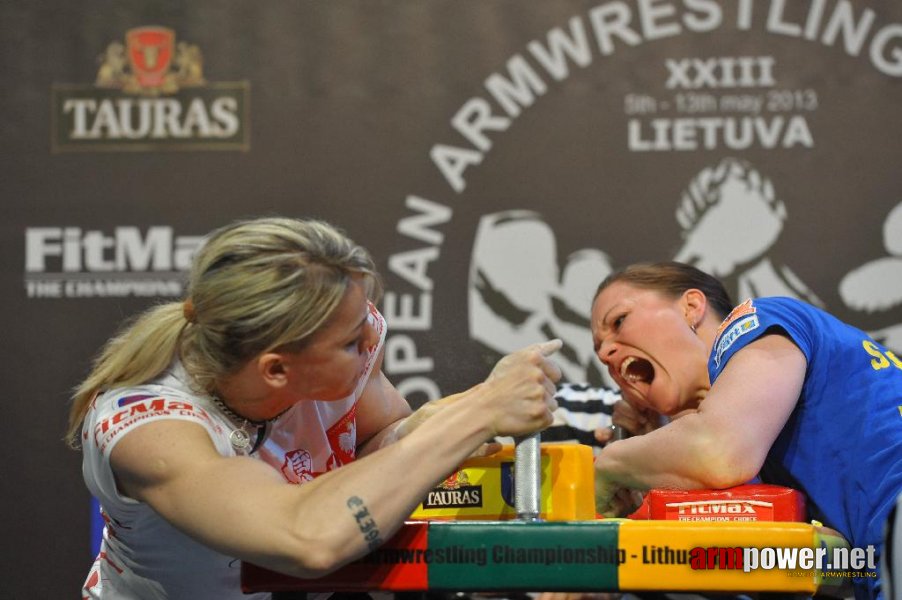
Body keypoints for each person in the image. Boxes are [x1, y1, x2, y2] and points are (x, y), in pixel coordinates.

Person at [66, 217, 562, 599]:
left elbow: (375, 445)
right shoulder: (148, 428)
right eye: (350, 342)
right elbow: (305, 541)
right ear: (277, 370)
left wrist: (425, 427)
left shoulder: (348, 338)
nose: (371, 338)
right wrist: (477, 413)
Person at [589, 261, 902, 600]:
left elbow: (719, 450)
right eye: (599, 349)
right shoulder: (758, 449)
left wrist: (613, 465)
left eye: (619, 321)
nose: (606, 354)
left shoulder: (758, 320)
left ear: (691, 306)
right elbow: (826, 568)